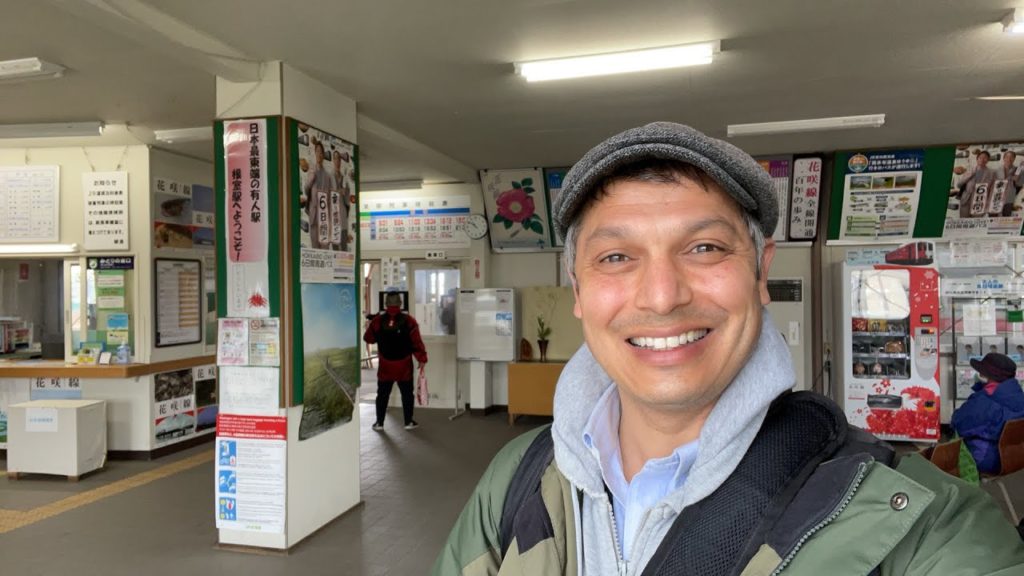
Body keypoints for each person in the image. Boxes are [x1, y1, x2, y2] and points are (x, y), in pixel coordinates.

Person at [433, 122, 1024, 575]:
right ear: (579, 290)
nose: (662, 296)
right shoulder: (518, 478)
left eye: (706, 248)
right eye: (616, 256)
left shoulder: (924, 526)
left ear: (760, 272)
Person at [363, 292, 427, 430]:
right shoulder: (409, 320)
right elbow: (416, 343)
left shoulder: (378, 321)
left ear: (386, 304)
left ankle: (379, 423)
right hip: (404, 366)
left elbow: (368, 339)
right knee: (407, 394)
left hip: (385, 366)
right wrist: (422, 359)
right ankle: (408, 422)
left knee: (382, 394)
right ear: (400, 304)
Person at [952, 352, 1024, 474]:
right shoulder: (1018, 396)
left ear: (985, 373)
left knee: (941, 459)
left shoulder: (985, 402)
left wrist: (979, 393)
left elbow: (958, 423)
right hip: (1016, 457)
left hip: (988, 459)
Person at [302, 139, 333, 249]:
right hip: (314, 214)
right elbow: (306, 190)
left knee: (325, 248)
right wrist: (310, 180)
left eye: (321, 152)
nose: (319, 154)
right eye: (317, 151)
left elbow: (330, 199)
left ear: (324, 155)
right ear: (315, 153)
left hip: (325, 217)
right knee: (315, 247)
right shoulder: (311, 171)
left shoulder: (328, 176)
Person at [957, 150, 998, 218]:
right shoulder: (970, 169)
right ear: (977, 159)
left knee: (976, 223)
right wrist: (970, 174)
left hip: (980, 202)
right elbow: (959, 184)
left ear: (988, 160)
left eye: (985, 158)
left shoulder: (992, 173)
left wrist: (988, 204)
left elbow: (992, 190)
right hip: (966, 200)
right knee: (963, 222)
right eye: (980, 157)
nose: (982, 159)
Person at [330, 149, 352, 251]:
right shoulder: (329, 177)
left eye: (339, 159)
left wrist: (346, 190)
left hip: (342, 215)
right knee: (335, 246)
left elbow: (347, 200)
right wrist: (339, 191)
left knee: (343, 246)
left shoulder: (344, 178)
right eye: (335, 159)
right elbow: (328, 194)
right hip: (333, 215)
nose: (337, 161)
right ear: (333, 161)